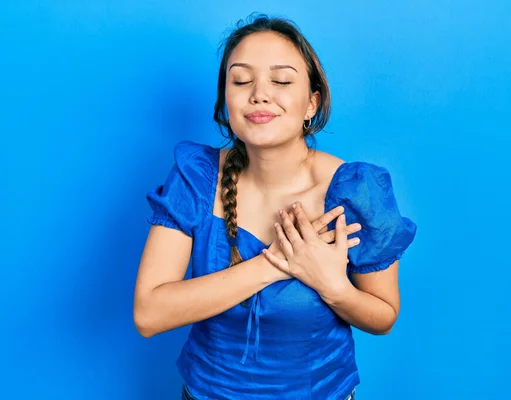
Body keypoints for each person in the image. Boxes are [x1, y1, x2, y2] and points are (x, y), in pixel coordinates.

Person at [133, 14, 417, 400]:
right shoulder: (195, 177)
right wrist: (273, 263)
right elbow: (149, 314)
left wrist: (334, 288)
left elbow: (383, 314)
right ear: (225, 102)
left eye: (281, 81)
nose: (259, 94)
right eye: (241, 80)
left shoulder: (356, 191)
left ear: (311, 103)